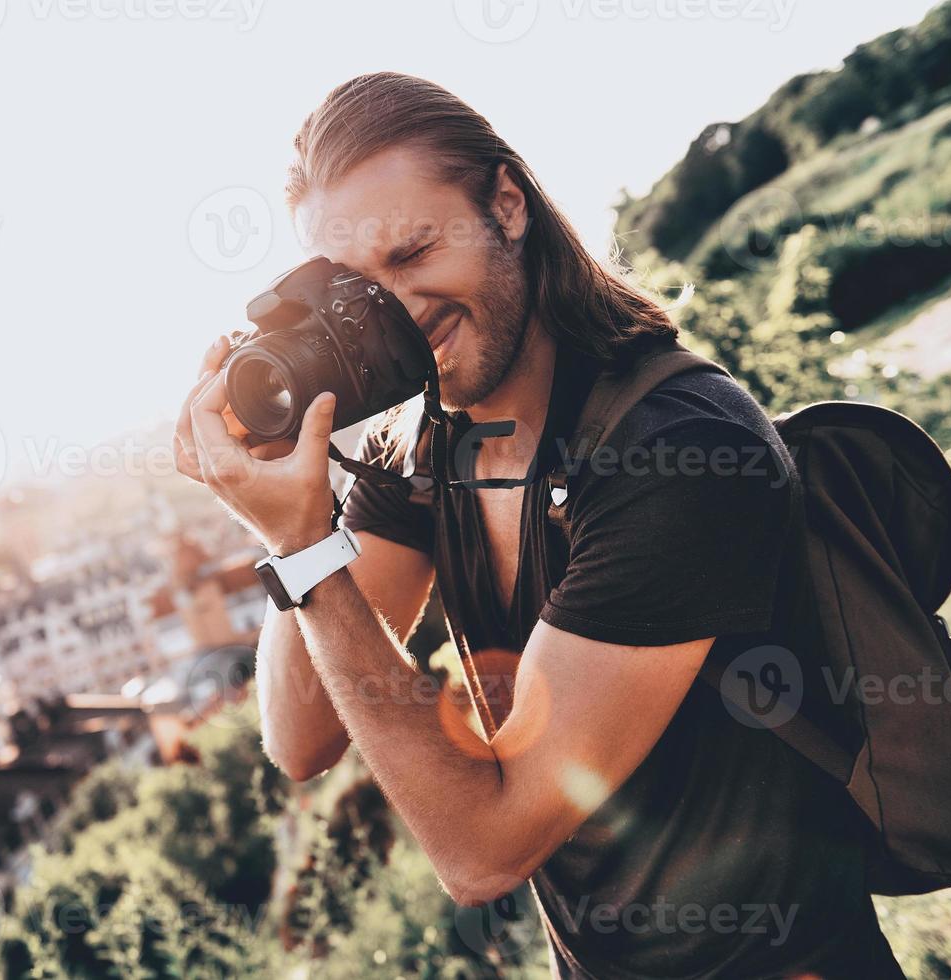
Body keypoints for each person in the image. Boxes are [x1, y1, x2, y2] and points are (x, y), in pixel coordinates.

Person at [173, 72, 905, 979]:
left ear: (508, 206)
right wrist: (290, 504)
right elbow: (300, 736)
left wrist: (304, 549)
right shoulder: (424, 445)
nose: (397, 316)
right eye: (357, 293)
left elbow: (483, 850)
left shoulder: (671, 451)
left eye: (413, 254)